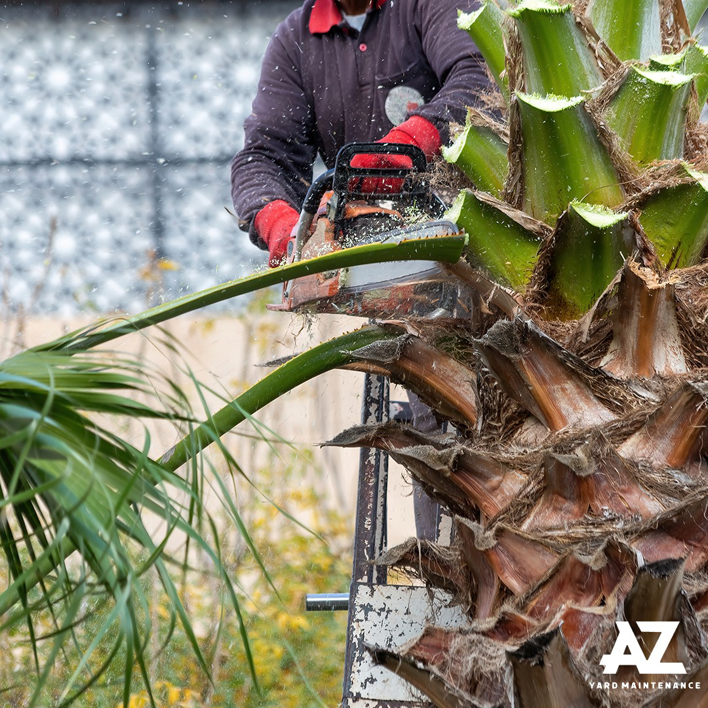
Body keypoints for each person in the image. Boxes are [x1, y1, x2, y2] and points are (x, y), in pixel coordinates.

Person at [230, 0, 489, 267]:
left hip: (472, 227)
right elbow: (264, 157)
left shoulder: (433, 4)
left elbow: (479, 80)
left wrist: (405, 147)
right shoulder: (295, 39)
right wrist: (280, 224)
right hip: (361, 246)